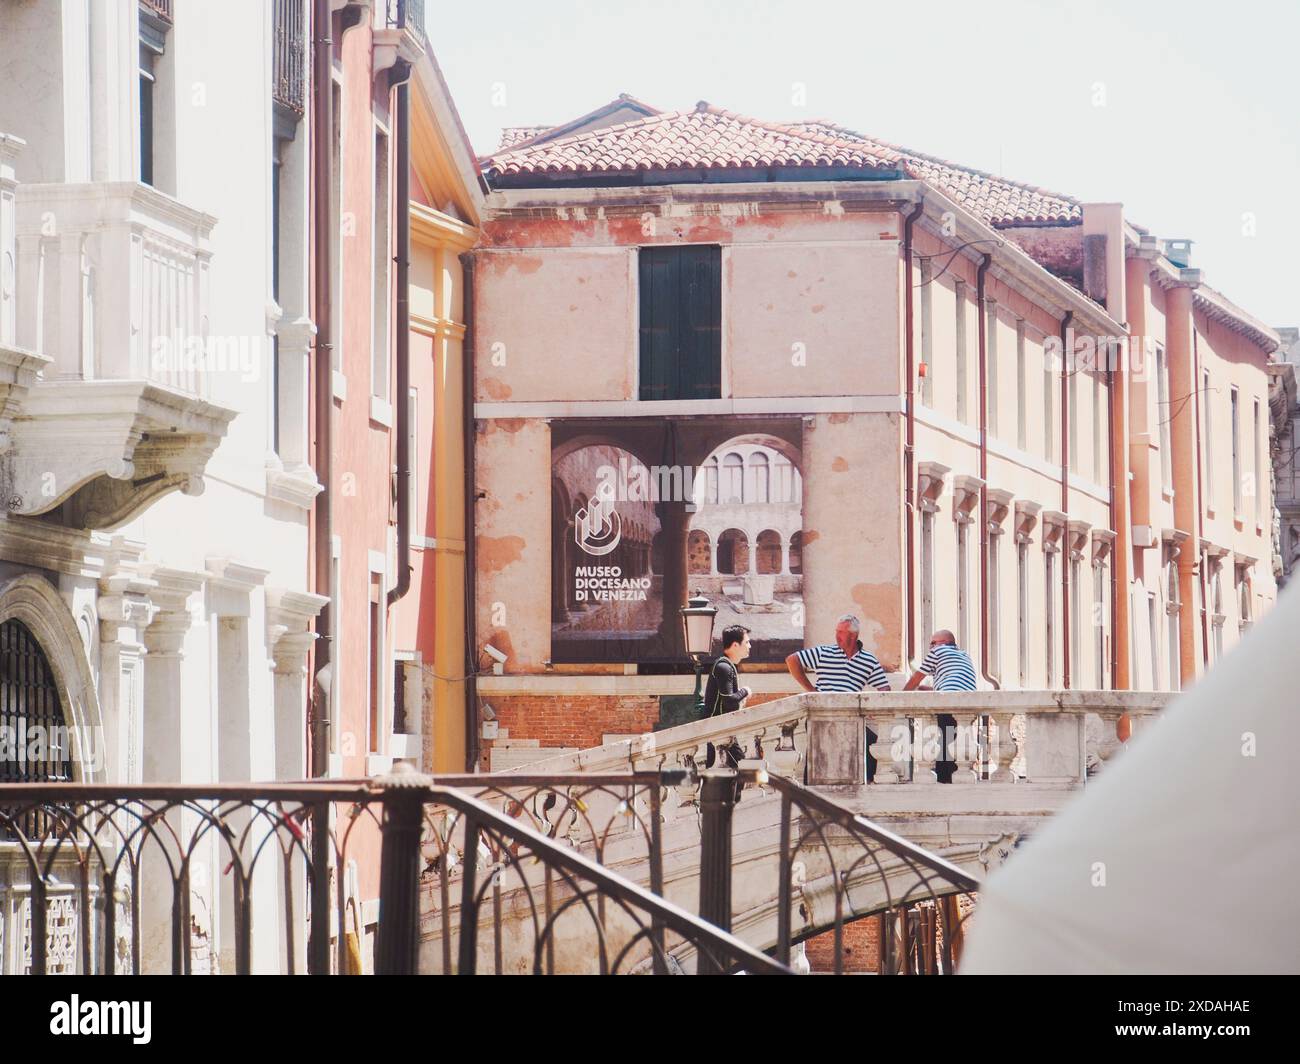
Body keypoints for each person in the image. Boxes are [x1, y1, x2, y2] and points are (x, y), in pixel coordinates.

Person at [785, 614, 891, 779]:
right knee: (819, 755)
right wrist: (811, 690)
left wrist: (874, 707)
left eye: (841, 632)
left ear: (853, 635)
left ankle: (863, 785)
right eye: (837, 631)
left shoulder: (869, 660)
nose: (837, 636)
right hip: (822, 712)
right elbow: (792, 660)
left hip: (851, 716)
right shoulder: (824, 652)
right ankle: (811, 793)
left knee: (872, 746)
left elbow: (884, 688)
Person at [904, 629, 977, 783]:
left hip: (949, 700)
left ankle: (945, 776)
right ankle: (958, 772)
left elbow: (917, 676)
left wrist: (902, 695)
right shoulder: (964, 656)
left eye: (933, 643)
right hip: (968, 700)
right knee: (958, 736)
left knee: (946, 737)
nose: (930, 647)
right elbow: (954, 679)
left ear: (943, 643)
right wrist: (930, 689)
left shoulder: (938, 652)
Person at [703, 625, 751, 779]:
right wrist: (745, 691)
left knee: (718, 775)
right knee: (745, 772)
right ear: (736, 645)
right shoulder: (724, 667)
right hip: (720, 731)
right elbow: (729, 700)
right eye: (747, 642)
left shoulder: (725, 666)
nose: (750, 646)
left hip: (721, 730)